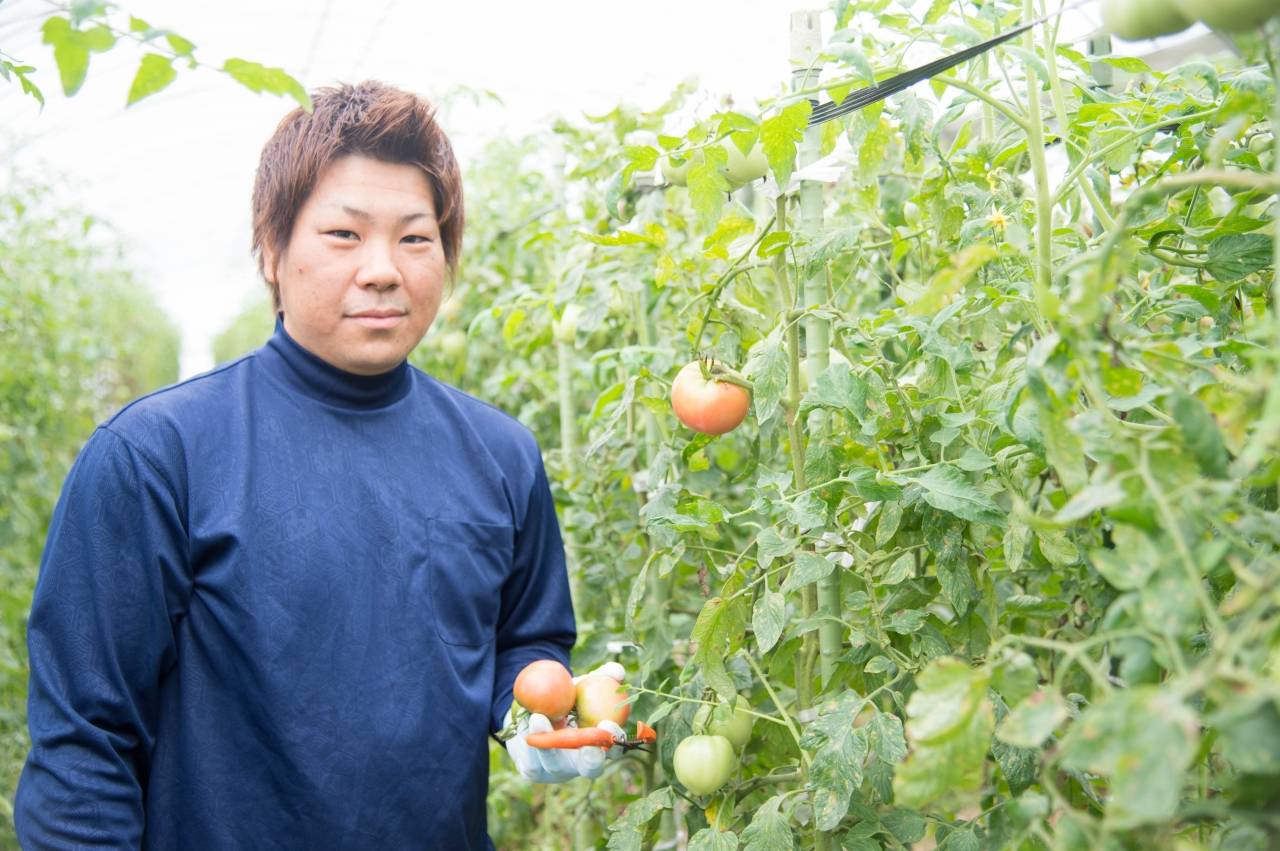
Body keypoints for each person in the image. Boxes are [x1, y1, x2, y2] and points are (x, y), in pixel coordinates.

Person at [15, 80, 620, 850]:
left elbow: (527, 636)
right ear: (271, 248)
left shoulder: (500, 454)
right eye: (343, 234)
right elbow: (84, 744)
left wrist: (533, 714)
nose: (382, 269)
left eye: (414, 237)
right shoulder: (156, 457)